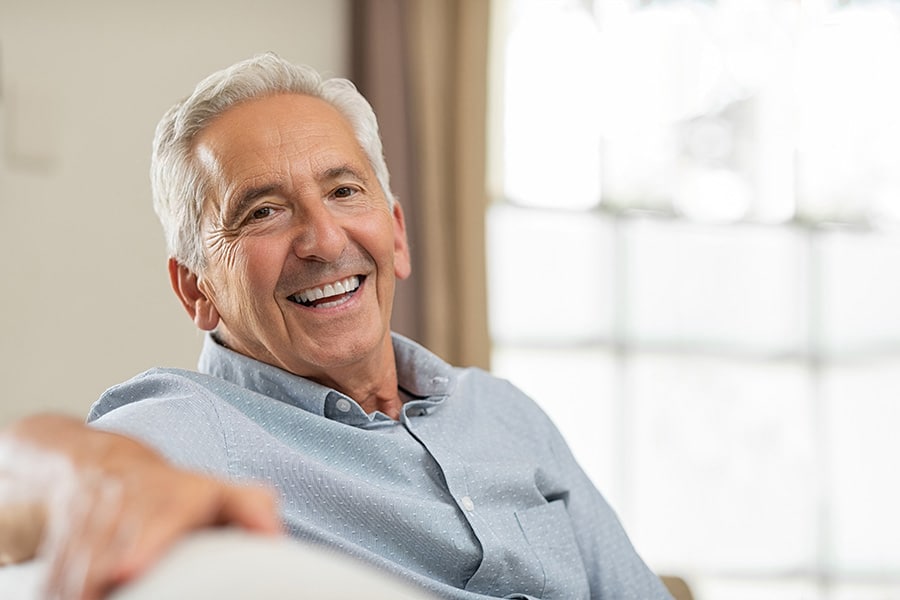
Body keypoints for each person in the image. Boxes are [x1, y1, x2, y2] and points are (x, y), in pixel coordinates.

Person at [0, 53, 672, 600]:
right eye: (262, 211)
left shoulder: (504, 412)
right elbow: (18, 475)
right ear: (196, 289)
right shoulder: (200, 425)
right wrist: (93, 477)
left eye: (345, 191)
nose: (323, 239)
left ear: (398, 235)